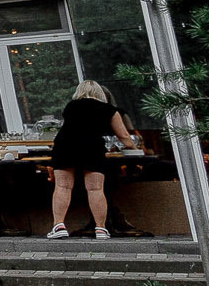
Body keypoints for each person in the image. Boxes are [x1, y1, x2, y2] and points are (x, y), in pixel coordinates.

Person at [48, 80, 143, 240]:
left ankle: (59, 225)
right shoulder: (109, 110)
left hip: (65, 145)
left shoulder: (71, 106)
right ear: (101, 93)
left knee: (63, 187)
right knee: (95, 189)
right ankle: (101, 228)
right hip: (92, 146)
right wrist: (135, 151)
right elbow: (124, 136)